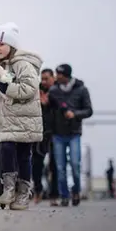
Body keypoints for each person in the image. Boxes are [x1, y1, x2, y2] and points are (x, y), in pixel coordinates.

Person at [0, 23, 43, 210]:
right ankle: (9, 189)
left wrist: (7, 87)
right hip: (6, 121)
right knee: (6, 151)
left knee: (23, 156)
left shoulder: (23, 64)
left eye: (1, 44)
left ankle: (23, 193)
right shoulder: (0, 67)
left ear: (12, 45)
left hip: (25, 118)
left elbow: (29, 89)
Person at [48, 64, 93, 207]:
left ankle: (76, 191)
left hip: (74, 134)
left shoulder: (81, 90)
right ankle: (64, 195)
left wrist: (75, 114)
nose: (57, 76)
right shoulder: (53, 91)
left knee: (75, 164)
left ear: (66, 75)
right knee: (60, 168)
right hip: (58, 134)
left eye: (59, 74)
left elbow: (89, 110)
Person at [32, 68, 59, 204]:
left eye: (46, 78)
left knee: (55, 166)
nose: (44, 81)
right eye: (42, 79)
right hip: (39, 132)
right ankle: (38, 190)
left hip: (56, 133)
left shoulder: (59, 91)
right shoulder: (37, 91)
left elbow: (63, 108)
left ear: (53, 78)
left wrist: (50, 103)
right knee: (36, 164)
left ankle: (54, 195)